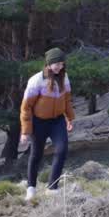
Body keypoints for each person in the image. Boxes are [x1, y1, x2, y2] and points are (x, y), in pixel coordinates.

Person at [19, 48, 75, 200]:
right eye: (55, 63)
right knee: (36, 154)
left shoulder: (65, 78)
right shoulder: (37, 80)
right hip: (39, 122)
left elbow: (67, 100)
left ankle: (52, 187)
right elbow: (26, 107)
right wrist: (25, 131)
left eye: (61, 63)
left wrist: (70, 118)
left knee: (62, 150)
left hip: (57, 121)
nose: (58, 66)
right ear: (48, 63)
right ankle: (31, 188)